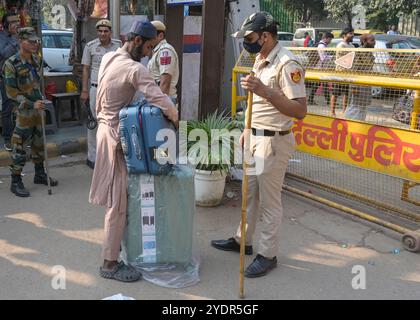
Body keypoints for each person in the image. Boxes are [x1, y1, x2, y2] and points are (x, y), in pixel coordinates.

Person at [211, 12, 307, 278]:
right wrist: (246, 128)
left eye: (251, 38)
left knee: (269, 202)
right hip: (255, 137)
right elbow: (256, 103)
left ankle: (268, 254)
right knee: (249, 194)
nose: (247, 43)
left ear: (266, 36)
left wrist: (266, 91)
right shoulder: (261, 58)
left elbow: (300, 110)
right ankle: (243, 240)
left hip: (274, 141)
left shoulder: (287, 64)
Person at [89, 21, 178, 282]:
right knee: (117, 203)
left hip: (104, 130)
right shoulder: (135, 68)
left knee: (115, 198)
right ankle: (109, 263)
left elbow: (101, 98)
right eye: (149, 47)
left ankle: (117, 250)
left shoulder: (109, 58)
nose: (150, 53)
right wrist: (174, 117)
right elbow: (158, 98)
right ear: (137, 40)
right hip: (115, 138)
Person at [3, 28, 58, 198]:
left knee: (39, 143)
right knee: (19, 147)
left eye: (36, 41)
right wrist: (30, 103)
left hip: (37, 109)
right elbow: (10, 93)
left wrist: (39, 101)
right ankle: (16, 181)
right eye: (31, 41)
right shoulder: (11, 64)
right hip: (22, 112)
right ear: (21, 41)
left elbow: (37, 84)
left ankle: (39, 174)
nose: (35, 44)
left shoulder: (36, 60)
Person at [81, 19, 121, 169]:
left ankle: (111, 155)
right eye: (100, 31)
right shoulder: (90, 46)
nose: (102, 34)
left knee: (113, 122)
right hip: (95, 89)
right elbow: (85, 69)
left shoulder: (118, 45)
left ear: (110, 32)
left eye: (105, 31)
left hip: (113, 90)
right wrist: (84, 90)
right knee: (94, 124)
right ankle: (92, 157)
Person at [0, 13, 20, 151]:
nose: (16, 24)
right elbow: (4, 53)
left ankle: (21, 136)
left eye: (17, 21)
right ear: (5, 24)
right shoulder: (1, 37)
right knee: (7, 108)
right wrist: (16, 40)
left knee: (21, 106)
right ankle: (7, 138)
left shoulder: (18, 35)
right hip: (6, 77)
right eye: (13, 22)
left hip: (20, 76)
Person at [344, 34, 376, 121]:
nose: (374, 42)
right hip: (357, 85)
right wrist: (354, 86)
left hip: (366, 85)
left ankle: (360, 125)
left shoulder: (369, 54)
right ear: (365, 42)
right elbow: (354, 69)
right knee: (354, 106)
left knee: (363, 107)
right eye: (372, 40)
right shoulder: (358, 52)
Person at [148, 20, 179, 105]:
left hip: (165, 101)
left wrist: (160, 107)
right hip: (158, 100)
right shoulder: (156, 51)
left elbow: (165, 82)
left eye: (149, 36)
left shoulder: (165, 51)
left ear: (160, 36)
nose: (147, 39)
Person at [330, 27, 355, 116]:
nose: (352, 35)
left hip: (348, 74)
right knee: (335, 93)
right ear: (344, 35)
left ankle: (344, 111)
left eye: (352, 33)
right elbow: (345, 58)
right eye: (350, 33)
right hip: (340, 73)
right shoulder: (341, 45)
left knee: (346, 93)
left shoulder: (352, 46)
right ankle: (332, 112)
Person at [307, 32, 334, 105]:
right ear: (326, 38)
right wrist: (332, 57)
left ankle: (327, 101)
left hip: (319, 68)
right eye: (330, 39)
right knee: (319, 84)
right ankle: (311, 100)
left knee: (322, 84)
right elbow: (323, 58)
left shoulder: (321, 45)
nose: (330, 41)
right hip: (319, 68)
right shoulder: (322, 46)